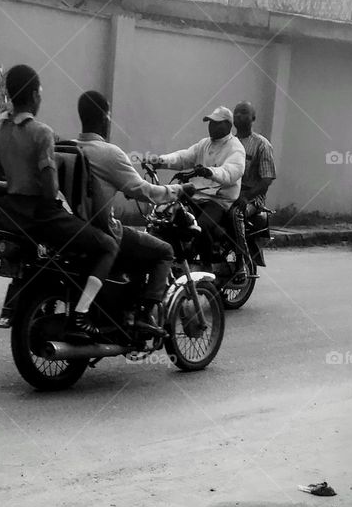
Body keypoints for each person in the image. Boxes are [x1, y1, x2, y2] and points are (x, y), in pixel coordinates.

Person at [0, 65, 118, 341]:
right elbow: (48, 191)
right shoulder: (42, 133)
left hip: (13, 217)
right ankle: (81, 313)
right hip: (43, 216)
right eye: (40, 93)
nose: (40, 99)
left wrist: (16, 185)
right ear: (34, 95)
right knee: (108, 245)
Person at [75, 91, 189, 339]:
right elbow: (145, 191)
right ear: (106, 118)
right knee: (164, 251)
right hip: (105, 230)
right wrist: (177, 190)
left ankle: (124, 306)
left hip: (75, 229)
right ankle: (142, 315)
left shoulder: (68, 148)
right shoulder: (109, 153)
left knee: (137, 246)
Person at [151, 107, 245, 269]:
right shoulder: (204, 144)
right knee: (171, 217)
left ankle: (208, 266)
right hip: (197, 195)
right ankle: (179, 257)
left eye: (216, 123)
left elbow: (231, 172)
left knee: (200, 227)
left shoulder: (235, 148)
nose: (211, 127)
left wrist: (210, 172)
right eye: (210, 123)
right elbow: (183, 157)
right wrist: (160, 160)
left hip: (218, 199)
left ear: (228, 125)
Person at [233, 101, 276, 206]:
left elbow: (266, 180)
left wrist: (246, 195)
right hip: (229, 193)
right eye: (236, 113)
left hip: (252, 198)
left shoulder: (262, 144)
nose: (238, 115)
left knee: (235, 214)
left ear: (253, 118)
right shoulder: (228, 143)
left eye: (243, 112)